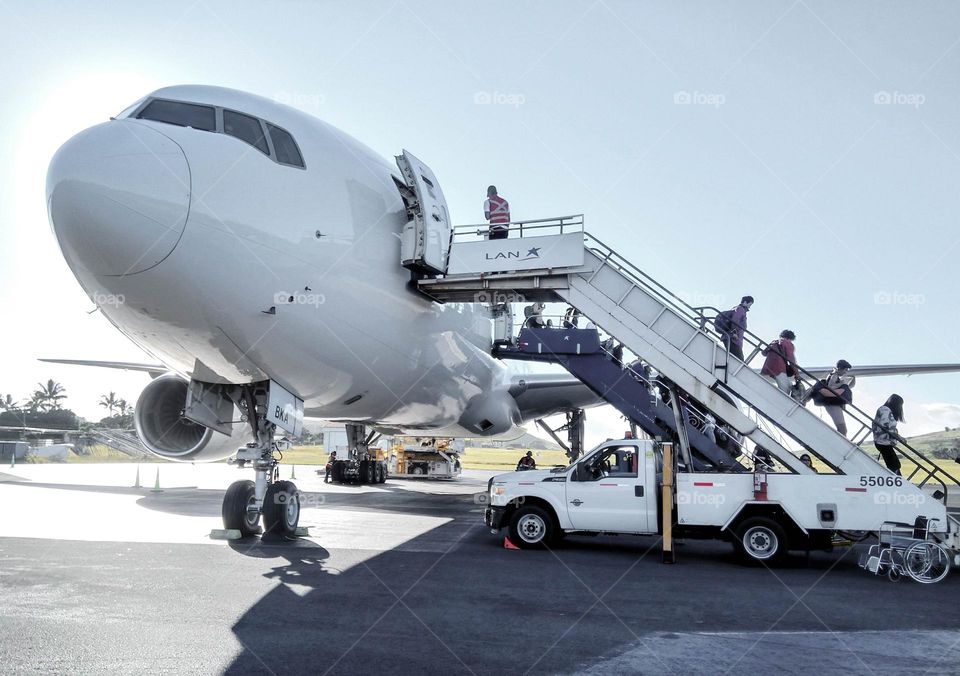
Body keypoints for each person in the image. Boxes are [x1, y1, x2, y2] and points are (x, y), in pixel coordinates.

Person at [806, 359, 855, 436]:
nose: (846, 372)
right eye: (845, 370)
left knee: (842, 428)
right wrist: (843, 384)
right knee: (842, 428)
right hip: (832, 405)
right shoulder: (834, 376)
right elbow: (831, 389)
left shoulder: (834, 376)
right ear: (840, 368)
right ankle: (840, 445)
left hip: (832, 404)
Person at [873, 394, 905, 475]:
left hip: (883, 442)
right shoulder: (885, 410)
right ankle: (899, 485)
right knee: (894, 465)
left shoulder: (885, 410)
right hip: (883, 442)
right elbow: (885, 426)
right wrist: (898, 437)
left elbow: (888, 427)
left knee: (894, 465)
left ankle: (899, 483)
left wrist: (898, 436)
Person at [760, 330, 799, 394]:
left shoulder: (774, 342)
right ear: (789, 338)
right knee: (786, 390)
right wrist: (796, 373)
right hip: (779, 368)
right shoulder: (788, 343)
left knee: (788, 384)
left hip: (768, 367)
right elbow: (791, 359)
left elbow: (763, 353)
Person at [718, 296, 753, 360]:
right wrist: (734, 333)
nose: (749, 307)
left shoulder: (736, 309)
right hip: (733, 339)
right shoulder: (741, 309)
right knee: (740, 360)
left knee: (736, 360)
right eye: (749, 304)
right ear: (745, 302)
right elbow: (735, 321)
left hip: (731, 337)